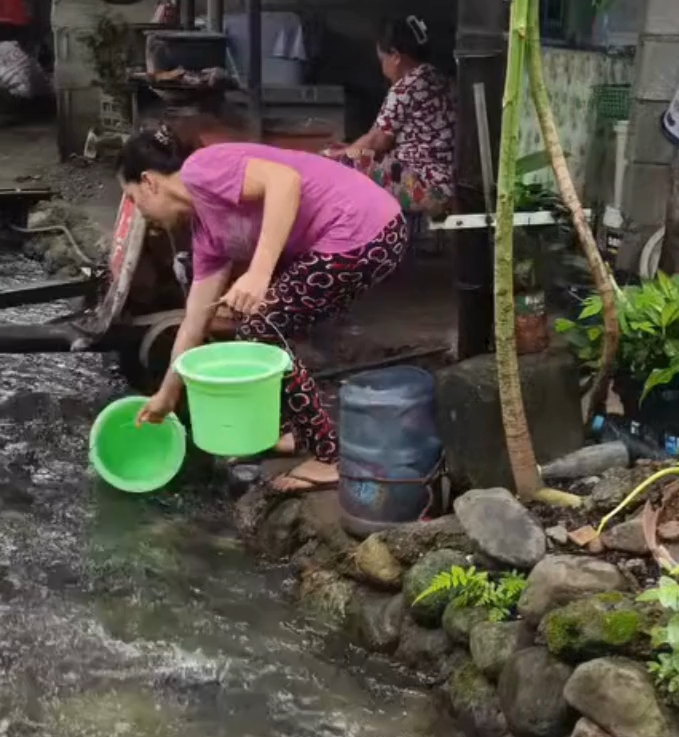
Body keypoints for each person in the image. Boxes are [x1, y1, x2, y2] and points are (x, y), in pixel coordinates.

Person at [120, 125, 408, 491]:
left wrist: (259, 273)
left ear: (149, 181)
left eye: (132, 198)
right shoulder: (207, 234)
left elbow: (284, 181)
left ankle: (329, 458)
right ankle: (299, 433)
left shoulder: (200, 170)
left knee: (261, 324)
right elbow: (194, 324)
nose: (139, 212)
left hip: (367, 229)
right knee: (257, 324)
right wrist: (166, 394)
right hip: (359, 238)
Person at [324, 16, 456, 218]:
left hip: (423, 190)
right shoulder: (442, 81)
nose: (382, 68)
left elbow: (376, 141)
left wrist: (333, 157)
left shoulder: (406, 87)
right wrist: (348, 149)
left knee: (344, 165)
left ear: (395, 56)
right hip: (447, 185)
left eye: (382, 59)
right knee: (349, 153)